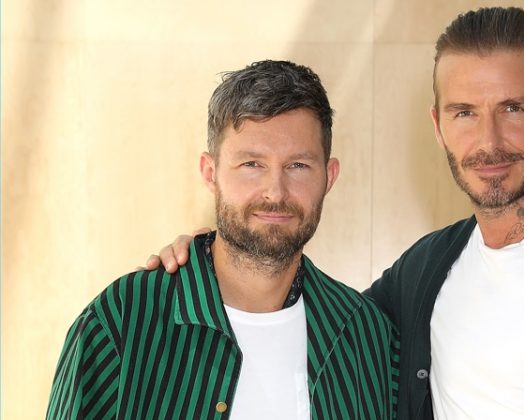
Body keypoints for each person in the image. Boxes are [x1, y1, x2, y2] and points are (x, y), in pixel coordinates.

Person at [145, 7, 524, 420]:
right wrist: (215, 252)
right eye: (465, 112)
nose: (488, 141)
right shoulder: (424, 273)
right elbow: (318, 320)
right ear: (439, 125)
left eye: (513, 108)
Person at [47, 60, 399, 420]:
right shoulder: (123, 319)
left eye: (298, 166)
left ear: (329, 176)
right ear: (210, 173)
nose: (275, 192)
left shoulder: (366, 333)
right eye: (252, 164)